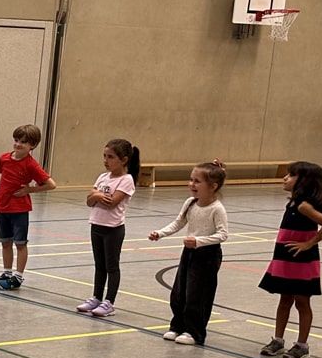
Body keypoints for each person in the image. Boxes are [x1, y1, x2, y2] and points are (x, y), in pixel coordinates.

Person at [256, 162, 322, 358]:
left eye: (291, 175)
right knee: (284, 300)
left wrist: (309, 243)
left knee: (302, 301)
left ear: (305, 181)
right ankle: (278, 340)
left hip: (302, 261)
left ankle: (302, 345)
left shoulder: (304, 206)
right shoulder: (292, 203)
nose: (285, 178)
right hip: (285, 258)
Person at [148, 161, 229, 346]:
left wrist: (199, 241)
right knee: (179, 292)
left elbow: (223, 234)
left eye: (197, 181)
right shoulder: (190, 203)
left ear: (213, 186)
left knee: (197, 295)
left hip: (207, 255)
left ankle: (195, 332)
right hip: (189, 252)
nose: (192, 184)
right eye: (191, 180)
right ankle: (178, 325)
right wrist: (159, 233)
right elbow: (178, 222)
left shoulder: (217, 208)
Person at [0, 125, 56, 290]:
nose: (18, 144)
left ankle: (18, 276)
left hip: (19, 209)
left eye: (23, 142)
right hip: (2, 207)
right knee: (5, 242)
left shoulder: (31, 165)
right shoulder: (4, 158)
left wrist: (30, 189)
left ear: (32, 146)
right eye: (16, 140)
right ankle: (7, 272)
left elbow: (51, 184)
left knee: (20, 243)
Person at [77, 138, 135, 318]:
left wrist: (96, 194)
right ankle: (96, 297)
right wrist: (95, 195)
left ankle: (109, 302)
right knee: (99, 265)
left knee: (111, 266)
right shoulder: (102, 177)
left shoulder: (126, 180)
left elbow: (111, 202)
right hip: (96, 225)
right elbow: (89, 201)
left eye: (110, 157)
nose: (106, 160)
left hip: (113, 229)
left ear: (123, 160)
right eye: (104, 156)